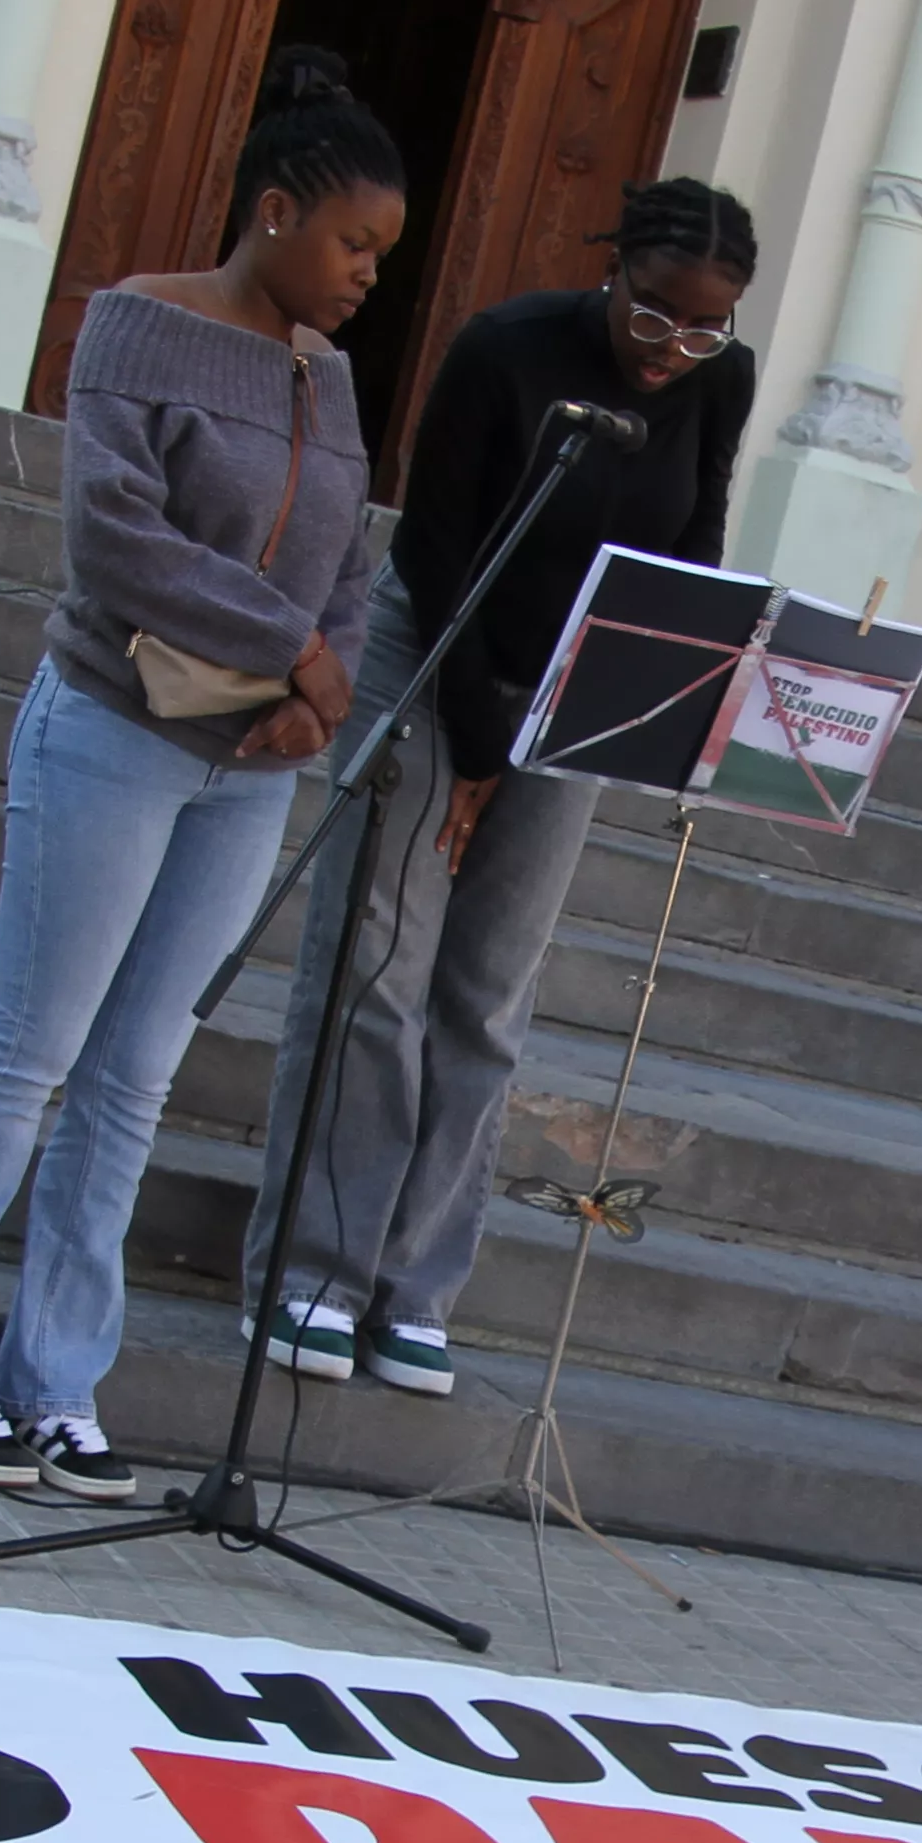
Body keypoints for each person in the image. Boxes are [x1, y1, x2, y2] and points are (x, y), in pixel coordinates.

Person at [0, 57, 404, 1496]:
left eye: (381, 254)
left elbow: (352, 556)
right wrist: (298, 648)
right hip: (115, 724)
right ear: (275, 212)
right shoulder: (133, 328)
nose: (366, 276)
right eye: (353, 243)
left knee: (135, 1078)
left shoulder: (328, 376)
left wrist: (311, 688)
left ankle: (57, 1385)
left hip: (251, 765)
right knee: (28, 1052)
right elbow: (119, 541)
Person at [251, 177, 759, 1399]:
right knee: (378, 969)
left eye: (704, 332)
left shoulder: (716, 382)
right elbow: (434, 543)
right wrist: (474, 748)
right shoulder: (505, 350)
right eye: (652, 318)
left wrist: (645, 698)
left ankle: (415, 1285)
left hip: (577, 692)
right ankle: (315, 1268)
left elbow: (692, 545)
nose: (671, 353)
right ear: (614, 273)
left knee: (486, 997)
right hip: (436, 655)